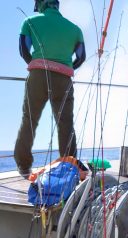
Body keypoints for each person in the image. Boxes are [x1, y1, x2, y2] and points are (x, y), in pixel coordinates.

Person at [14, 0, 86, 178]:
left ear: (41, 5)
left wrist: (38, 65)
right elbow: (81, 57)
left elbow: (23, 50)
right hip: (64, 79)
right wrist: (65, 68)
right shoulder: (75, 29)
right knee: (65, 124)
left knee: (29, 119)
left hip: (38, 76)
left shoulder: (30, 22)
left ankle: (24, 167)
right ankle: (68, 167)